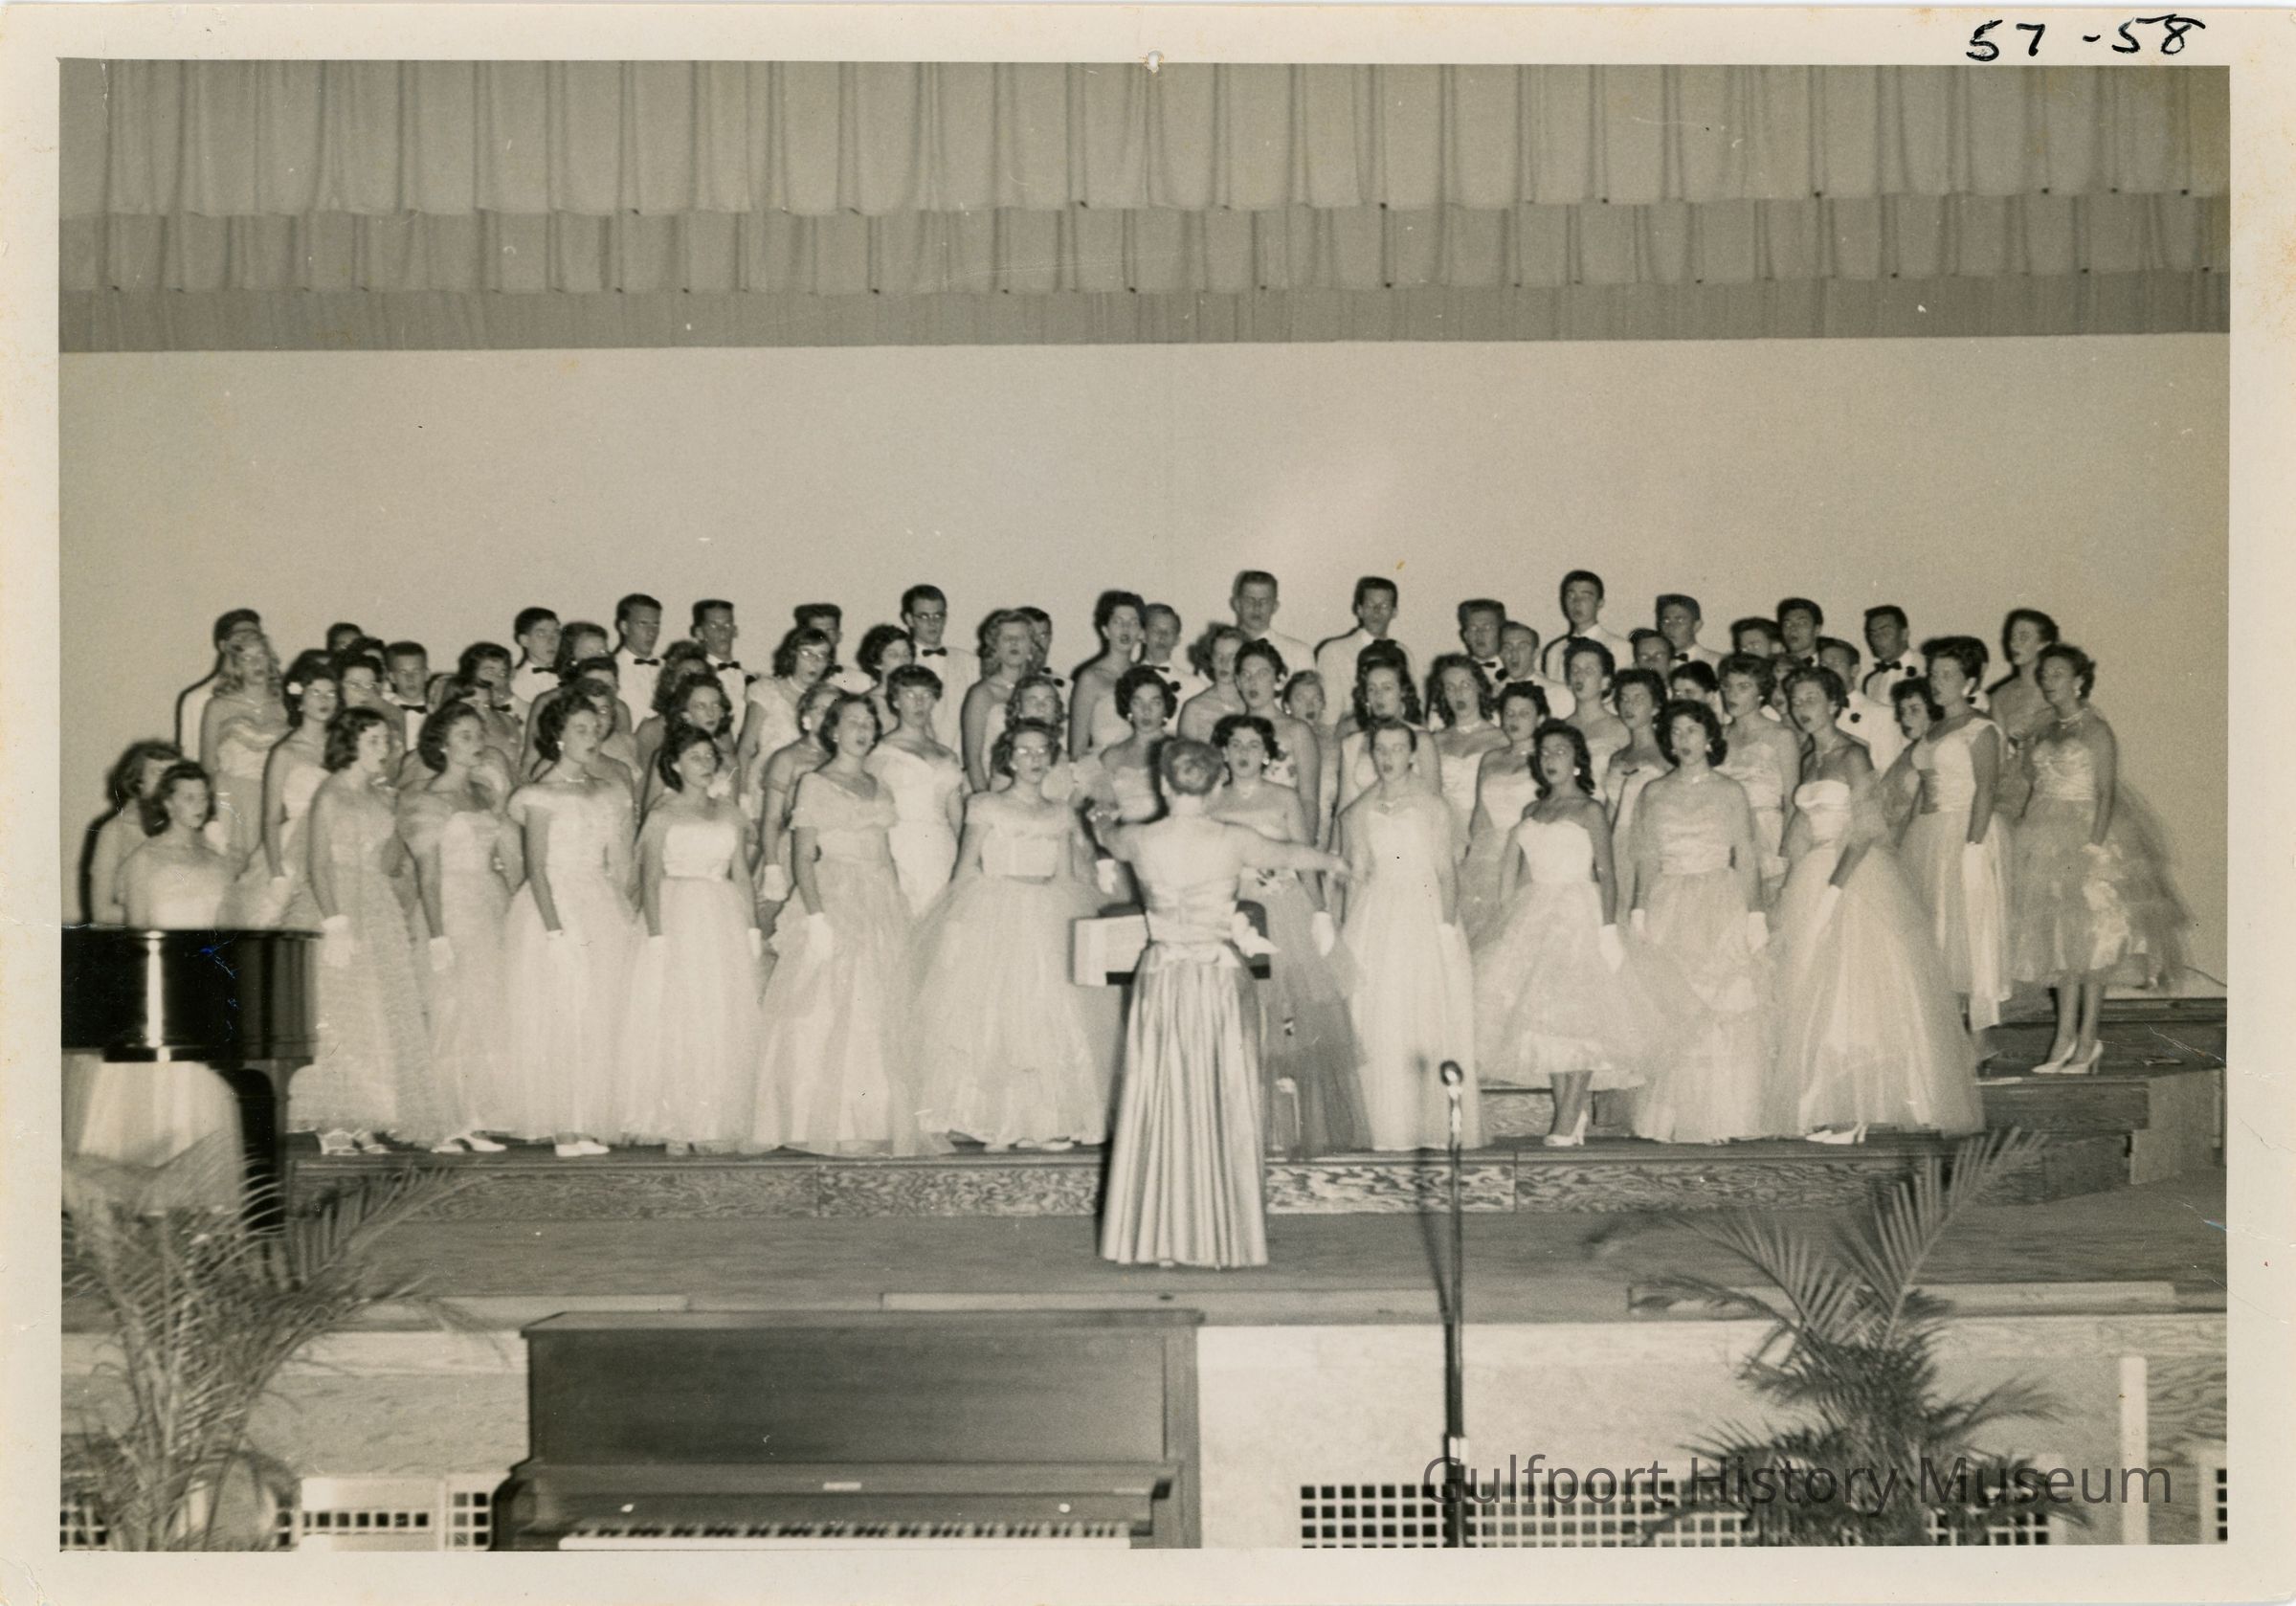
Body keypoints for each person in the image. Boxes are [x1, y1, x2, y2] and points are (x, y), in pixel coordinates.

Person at [1098, 738, 1349, 1269]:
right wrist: (1333, 860)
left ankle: (1157, 1236)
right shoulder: (1234, 838)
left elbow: (1107, 836)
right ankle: (1220, 1236)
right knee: (1221, 1095)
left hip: (1162, 978)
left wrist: (1096, 818)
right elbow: (1292, 855)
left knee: (1161, 1097)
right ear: (1216, 788)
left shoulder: (1139, 839)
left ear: (1163, 784)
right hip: (1216, 979)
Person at [1765, 668, 1983, 1143]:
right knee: (1811, 990)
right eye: (1796, 700)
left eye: (1812, 699)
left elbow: (1865, 829)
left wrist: (1834, 889)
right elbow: (1801, 827)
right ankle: (1828, 1105)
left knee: (1852, 993)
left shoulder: (1853, 754)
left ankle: (1858, 1111)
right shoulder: (1810, 756)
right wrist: (1788, 880)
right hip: (1812, 870)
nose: (1803, 708)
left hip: (1853, 874)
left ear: (1834, 704)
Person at [909, 719, 1116, 1151]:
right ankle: (991, 1120)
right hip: (996, 911)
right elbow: (966, 868)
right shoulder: (985, 805)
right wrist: (957, 924)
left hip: (1048, 911)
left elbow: (1066, 875)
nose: (1033, 759)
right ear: (1009, 758)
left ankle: (1044, 1120)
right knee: (996, 1015)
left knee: (1050, 1013)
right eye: (1024, 751)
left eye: (1041, 751)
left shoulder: (1060, 812)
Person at [1473, 721, 1681, 1147]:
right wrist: (1510, 924)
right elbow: (1522, 873)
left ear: (1577, 761)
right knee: (1546, 1018)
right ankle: (1570, 1112)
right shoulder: (1532, 812)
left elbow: (1607, 873)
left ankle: (1567, 1117)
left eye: (1560, 752)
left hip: (1579, 913)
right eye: (1545, 752)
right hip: (1537, 912)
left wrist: (1607, 930)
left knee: (1583, 1017)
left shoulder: (1590, 810)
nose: (1551, 759)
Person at [748, 695, 923, 1155]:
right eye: (852, 722)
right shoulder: (815, 783)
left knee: (879, 1006)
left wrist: (898, 902)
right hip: (836, 893)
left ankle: (872, 1118)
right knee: (834, 1005)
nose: (862, 730)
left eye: (868, 722)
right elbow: (803, 856)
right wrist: (816, 916)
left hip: (880, 896)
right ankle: (832, 1121)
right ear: (833, 730)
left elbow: (886, 853)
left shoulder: (878, 784)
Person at [71, 762, 244, 1208]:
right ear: (167, 803)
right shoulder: (144, 861)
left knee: (200, 1099)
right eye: (187, 797)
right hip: (160, 994)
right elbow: (138, 938)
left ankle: (193, 1211)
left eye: (203, 797)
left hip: (204, 992)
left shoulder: (218, 861)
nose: (198, 805)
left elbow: (227, 931)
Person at [2008, 645, 2184, 1074]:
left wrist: (2093, 848)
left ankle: (2088, 1041)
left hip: (2087, 834)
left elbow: (2105, 792)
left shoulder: (2097, 730)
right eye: (2045, 674)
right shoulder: (2045, 727)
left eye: (2058, 673)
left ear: (2079, 681)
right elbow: (2033, 780)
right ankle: (2063, 1039)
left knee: (2093, 943)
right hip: (2045, 834)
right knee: (2061, 942)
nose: (2048, 680)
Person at [1210, 713, 1368, 1159]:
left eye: (1253, 745)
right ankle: (1244, 1123)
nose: (1244, 753)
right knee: (1241, 1014)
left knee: (1291, 1015)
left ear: (1267, 753)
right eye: (1236, 744)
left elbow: (1303, 858)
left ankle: (1292, 1122)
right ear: (1223, 751)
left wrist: (1319, 911)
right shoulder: (1211, 800)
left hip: (1283, 909)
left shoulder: (1284, 798)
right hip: (1233, 913)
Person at [1627, 701, 1778, 1145]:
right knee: (1674, 1006)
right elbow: (1646, 856)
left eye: (1692, 730)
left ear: (1710, 737)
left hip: (1718, 899)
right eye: (1676, 732)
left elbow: (1746, 854)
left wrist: (1755, 914)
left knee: (1722, 1004)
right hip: (1669, 899)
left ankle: (1722, 1117)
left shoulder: (1730, 790)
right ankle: (1673, 1118)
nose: (1684, 740)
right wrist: (1639, 910)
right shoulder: (1653, 791)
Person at [296, 707, 441, 1154]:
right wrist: (335, 921)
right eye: (374, 741)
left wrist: (400, 814)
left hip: (375, 901)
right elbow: (317, 863)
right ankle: (333, 1120)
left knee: (377, 1010)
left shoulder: (381, 797)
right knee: (340, 1013)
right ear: (351, 744)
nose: (385, 749)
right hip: (338, 901)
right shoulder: (330, 794)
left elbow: (389, 863)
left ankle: (365, 1116)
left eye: (387, 741)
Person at [616, 725, 766, 1151]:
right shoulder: (663, 813)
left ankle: (712, 1119)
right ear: (675, 765)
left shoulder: (729, 812)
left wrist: (752, 927)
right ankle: (675, 1122)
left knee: (718, 1013)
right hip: (678, 913)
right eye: (695, 757)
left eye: (709, 756)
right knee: (678, 1014)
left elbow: (742, 875)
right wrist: (657, 934)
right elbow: (650, 880)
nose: (705, 764)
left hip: (721, 916)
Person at [502, 699, 640, 1155]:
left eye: (595, 728)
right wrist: (554, 931)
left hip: (599, 901)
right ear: (559, 737)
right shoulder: (541, 795)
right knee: (563, 1011)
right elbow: (537, 869)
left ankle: (585, 1121)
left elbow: (619, 862)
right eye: (580, 729)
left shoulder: (609, 790)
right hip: (556, 903)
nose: (592, 737)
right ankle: (562, 1125)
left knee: (598, 1012)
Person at [1336, 720, 1482, 1152]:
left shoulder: (1431, 805)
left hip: (1423, 909)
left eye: (1398, 748)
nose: (1388, 757)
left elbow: (1446, 873)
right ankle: (1382, 1124)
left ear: (1413, 754)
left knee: (1420, 1010)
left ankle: (1423, 1123)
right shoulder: (1359, 811)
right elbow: (1359, 874)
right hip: (1377, 912)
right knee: (1378, 1012)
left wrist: (1446, 928)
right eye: (1381, 749)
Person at [400, 703, 520, 1155]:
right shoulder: (427, 800)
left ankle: (476, 1118)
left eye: (479, 734)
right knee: (451, 1010)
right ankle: (446, 1121)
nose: (477, 743)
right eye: (466, 736)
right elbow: (428, 875)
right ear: (443, 745)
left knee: (483, 1010)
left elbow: (502, 855)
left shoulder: (483, 793)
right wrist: (436, 935)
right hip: (450, 906)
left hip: (486, 902)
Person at [1899, 636, 2013, 1051]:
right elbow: (1924, 790)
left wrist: (1974, 846)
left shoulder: (1981, 729)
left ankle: (1980, 1040)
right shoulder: (1935, 729)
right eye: (1934, 674)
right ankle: (1946, 1035)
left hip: (1967, 832)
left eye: (1947, 674)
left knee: (1971, 930)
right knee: (1937, 933)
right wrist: (1907, 837)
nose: (1937, 681)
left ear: (1969, 682)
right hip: (1929, 834)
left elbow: (1987, 789)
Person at [222, 652, 338, 927]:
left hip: (337, 837)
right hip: (295, 844)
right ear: (300, 699)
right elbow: (271, 818)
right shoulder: (285, 752)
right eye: (316, 692)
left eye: (331, 693)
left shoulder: (342, 747)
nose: (324, 700)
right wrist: (276, 873)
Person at [750, 681, 845, 954]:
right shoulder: (787, 758)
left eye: (834, 710)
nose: (827, 716)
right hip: (792, 852)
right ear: (806, 716)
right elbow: (771, 818)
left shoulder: (844, 757)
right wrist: (772, 867)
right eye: (820, 709)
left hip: (833, 853)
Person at [865, 663, 967, 914]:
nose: (919, 702)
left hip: (941, 848)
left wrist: (967, 862)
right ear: (895, 701)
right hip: (901, 847)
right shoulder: (881, 752)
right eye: (910, 695)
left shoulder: (947, 754)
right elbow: (874, 815)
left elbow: (957, 817)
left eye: (926, 695)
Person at [1458, 682, 1549, 946]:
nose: (1514, 720)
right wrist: (1473, 856)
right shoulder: (1490, 758)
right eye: (1509, 713)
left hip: (1529, 853)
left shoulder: (1546, 759)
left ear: (1540, 718)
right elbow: (1480, 813)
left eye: (1524, 713)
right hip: (1488, 854)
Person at [1715, 653, 1802, 903]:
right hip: (1721, 834)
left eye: (1743, 687)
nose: (1732, 694)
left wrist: (1785, 852)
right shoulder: (1718, 735)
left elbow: (1792, 800)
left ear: (1761, 692)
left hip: (1766, 836)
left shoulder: (1781, 736)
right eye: (1728, 686)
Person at [198, 631, 288, 870]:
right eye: (247, 658)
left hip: (273, 799)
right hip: (231, 800)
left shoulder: (285, 706)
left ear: (270, 659)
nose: (256, 663)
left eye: (261, 655)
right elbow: (208, 766)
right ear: (236, 667)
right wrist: (213, 814)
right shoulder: (218, 706)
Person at [86, 741, 185, 926]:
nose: (168, 782)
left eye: (174, 774)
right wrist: (164, 914)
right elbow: (101, 913)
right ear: (139, 781)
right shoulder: (114, 831)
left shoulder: (185, 828)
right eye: (158, 772)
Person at [1335, 647, 1441, 814]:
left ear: (1403, 692)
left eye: (1387, 688)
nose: (1378, 696)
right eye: (1372, 689)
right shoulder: (1352, 743)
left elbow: (1434, 804)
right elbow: (1344, 807)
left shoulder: (1421, 739)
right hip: (1362, 826)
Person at [1232, 640, 1323, 830]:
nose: (1253, 682)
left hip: (1282, 833)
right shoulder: (1229, 730)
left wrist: (1304, 844)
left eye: (1262, 674)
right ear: (1238, 682)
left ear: (1278, 680)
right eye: (1246, 675)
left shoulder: (1297, 731)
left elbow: (1309, 800)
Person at [1426, 654, 1505, 858]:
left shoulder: (1501, 739)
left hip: (1485, 831)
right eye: (1450, 687)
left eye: (1466, 685)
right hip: (1442, 832)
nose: (1459, 693)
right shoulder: (1434, 741)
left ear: (1479, 687)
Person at [1600, 668, 1672, 891]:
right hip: (1618, 846)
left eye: (1638, 699)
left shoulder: (1667, 755)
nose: (1629, 706)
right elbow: (1609, 814)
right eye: (1624, 699)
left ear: (1656, 706)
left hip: (1653, 846)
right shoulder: (1617, 757)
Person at [1987, 607, 2062, 816]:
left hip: (2053, 788)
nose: (2014, 644)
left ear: (2043, 643)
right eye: (2012, 637)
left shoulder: (2057, 690)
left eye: (2024, 637)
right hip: (2012, 790)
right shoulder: (2001, 696)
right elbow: (1997, 757)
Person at [738, 626, 835, 781]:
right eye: (807, 653)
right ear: (793, 655)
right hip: (766, 780)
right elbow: (746, 748)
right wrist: (742, 792)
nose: (814, 662)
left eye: (822, 655)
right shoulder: (767, 690)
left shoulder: (830, 699)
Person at [961, 610, 1038, 792]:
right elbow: (972, 758)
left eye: (1021, 637)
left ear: (1031, 646)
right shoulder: (982, 693)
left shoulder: (1039, 690)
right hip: (991, 785)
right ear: (995, 646)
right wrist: (986, 800)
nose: (1014, 643)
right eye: (1007, 638)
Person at [901, 584, 977, 753]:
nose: (932, 623)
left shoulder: (970, 662)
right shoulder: (902, 663)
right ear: (909, 619)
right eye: (924, 616)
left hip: (961, 758)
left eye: (938, 615)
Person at [175, 608, 263, 753]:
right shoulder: (198, 699)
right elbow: (192, 754)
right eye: (241, 637)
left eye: (255, 637)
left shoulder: (276, 695)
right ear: (223, 646)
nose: (248, 644)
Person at [1072, 590, 1148, 756]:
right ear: (1105, 630)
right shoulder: (1090, 678)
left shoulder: (1146, 676)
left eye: (1133, 622)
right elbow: (1077, 748)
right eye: (1117, 622)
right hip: (1100, 766)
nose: (1125, 628)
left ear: (1141, 632)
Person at [1818, 636, 1903, 774]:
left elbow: (1889, 773)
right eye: (1823, 665)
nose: (1827, 670)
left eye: (1835, 663)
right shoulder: (1815, 714)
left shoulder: (1882, 715)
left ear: (1854, 670)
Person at [1312, 576, 1401, 707]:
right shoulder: (1333, 652)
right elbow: (1329, 713)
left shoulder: (1403, 652)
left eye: (1384, 606)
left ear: (1394, 612)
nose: (1376, 612)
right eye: (1370, 605)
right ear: (1359, 610)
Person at [1282, 671, 1345, 848]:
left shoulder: (1337, 744)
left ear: (1324, 704)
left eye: (1316, 699)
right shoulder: (1280, 742)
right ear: (1287, 706)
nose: (1309, 705)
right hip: (1288, 831)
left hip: (1328, 834)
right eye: (1300, 699)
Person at [1539, 569, 1633, 682]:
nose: (1577, 602)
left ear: (1600, 603)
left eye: (1585, 597)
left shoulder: (1620, 648)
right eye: (1570, 596)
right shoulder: (1555, 650)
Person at [1560, 639, 1629, 782]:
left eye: (1589, 671)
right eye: (1575, 670)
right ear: (1568, 681)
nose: (1580, 676)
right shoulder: (1560, 729)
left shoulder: (1622, 728)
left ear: (1605, 682)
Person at [1879, 678, 1942, 835]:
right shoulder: (1909, 751)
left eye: (1914, 710)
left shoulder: (1941, 750)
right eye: (1902, 711)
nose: (1905, 718)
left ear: (1933, 709)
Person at [1230, 569, 1314, 677]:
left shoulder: (1299, 654)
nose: (1257, 607)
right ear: (1237, 604)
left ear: (1275, 606)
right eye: (1250, 600)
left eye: (1264, 601)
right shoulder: (1220, 651)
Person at [1176, 625, 1249, 743]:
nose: (1224, 663)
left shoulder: (1253, 704)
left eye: (1232, 657)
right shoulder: (1194, 707)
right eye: (1218, 655)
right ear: (1211, 660)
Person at [1498, 619, 1574, 718]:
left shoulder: (1561, 694)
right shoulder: (1492, 695)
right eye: (1507, 647)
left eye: (1522, 647)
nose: (1514, 653)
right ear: (1500, 654)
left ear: (1535, 653)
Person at [612, 591, 667, 726]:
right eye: (643, 624)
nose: (651, 632)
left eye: (656, 624)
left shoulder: (668, 667)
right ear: (624, 627)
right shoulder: (612, 669)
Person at [1139, 603, 1205, 714]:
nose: (1162, 636)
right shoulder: (1125, 678)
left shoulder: (1195, 687)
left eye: (1169, 631)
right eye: (1155, 630)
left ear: (1177, 640)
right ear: (1142, 635)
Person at [856, 623, 915, 733]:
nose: (903, 661)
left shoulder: (916, 698)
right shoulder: (868, 703)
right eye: (894, 655)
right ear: (877, 663)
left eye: (907, 654)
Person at [694, 598, 750, 712]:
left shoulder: (750, 678)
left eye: (727, 624)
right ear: (699, 633)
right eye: (713, 626)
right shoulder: (697, 677)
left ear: (735, 631)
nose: (722, 631)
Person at [1861, 605, 1925, 703]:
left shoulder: (1927, 667)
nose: (1877, 640)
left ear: (1904, 634)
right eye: (1873, 634)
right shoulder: (1871, 682)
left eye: (1885, 633)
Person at [507, 607, 563, 717]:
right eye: (541, 634)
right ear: (525, 640)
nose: (551, 641)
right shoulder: (516, 684)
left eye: (556, 633)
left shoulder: (566, 674)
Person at [383, 641, 432, 746]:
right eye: (403, 672)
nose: (410, 678)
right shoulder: (383, 712)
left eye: (416, 671)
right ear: (392, 677)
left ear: (427, 674)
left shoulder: (439, 711)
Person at [1657, 593, 1723, 669]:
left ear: (1696, 626)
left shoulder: (1717, 663)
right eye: (1666, 621)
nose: (1671, 627)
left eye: (1680, 621)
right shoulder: (1653, 663)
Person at [1456, 597, 1510, 690]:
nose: (1480, 634)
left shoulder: (1517, 672)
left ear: (1502, 633)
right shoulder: (1455, 673)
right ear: (1466, 636)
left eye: (1487, 628)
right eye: (1473, 628)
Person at [1775, 597, 1825, 670]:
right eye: (1787, 624)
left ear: (1817, 630)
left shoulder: (1829, 665)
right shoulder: (1773, 666)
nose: (1793, 628)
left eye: (1802, 623)